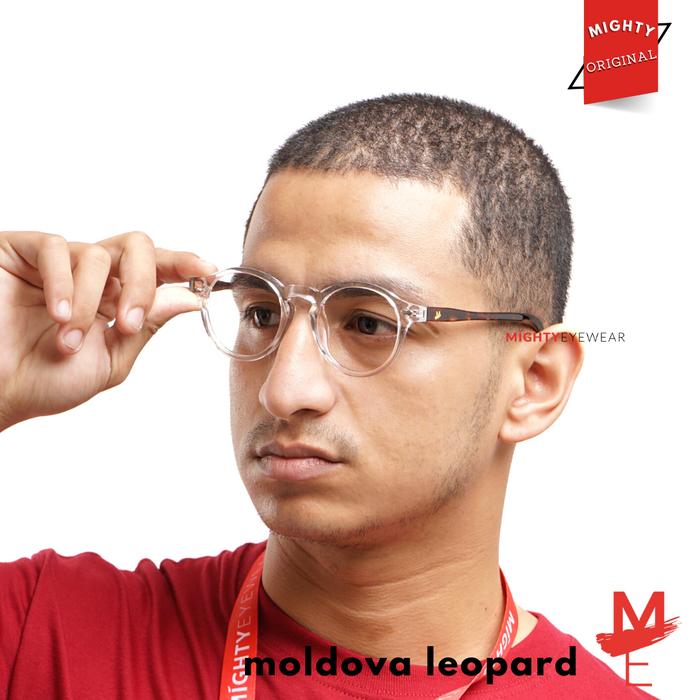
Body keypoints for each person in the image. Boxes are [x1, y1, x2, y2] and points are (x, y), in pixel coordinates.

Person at [0, 94, 652, 699]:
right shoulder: (44, 638)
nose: (284, 390)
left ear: (534, 383)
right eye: (262, 314)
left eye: (369, 324)